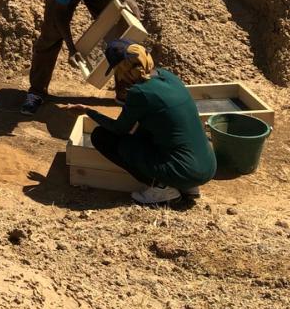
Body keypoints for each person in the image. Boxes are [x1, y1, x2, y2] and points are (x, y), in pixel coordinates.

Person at [67, 40, 216, 205]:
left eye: (117, 71)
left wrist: (88, 111)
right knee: (144, 132)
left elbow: (119, 129)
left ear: (123, 68)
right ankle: (188, 187)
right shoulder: (168, 77)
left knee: (104, 138)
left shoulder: (140, 93)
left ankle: (162, 189)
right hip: (207, 166)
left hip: (185, 171)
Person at [21, 0, 140, 115]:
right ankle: (37, 91)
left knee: (119, 33)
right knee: (51, 33)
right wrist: (71, 47)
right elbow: (60, 16)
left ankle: (124, 91)